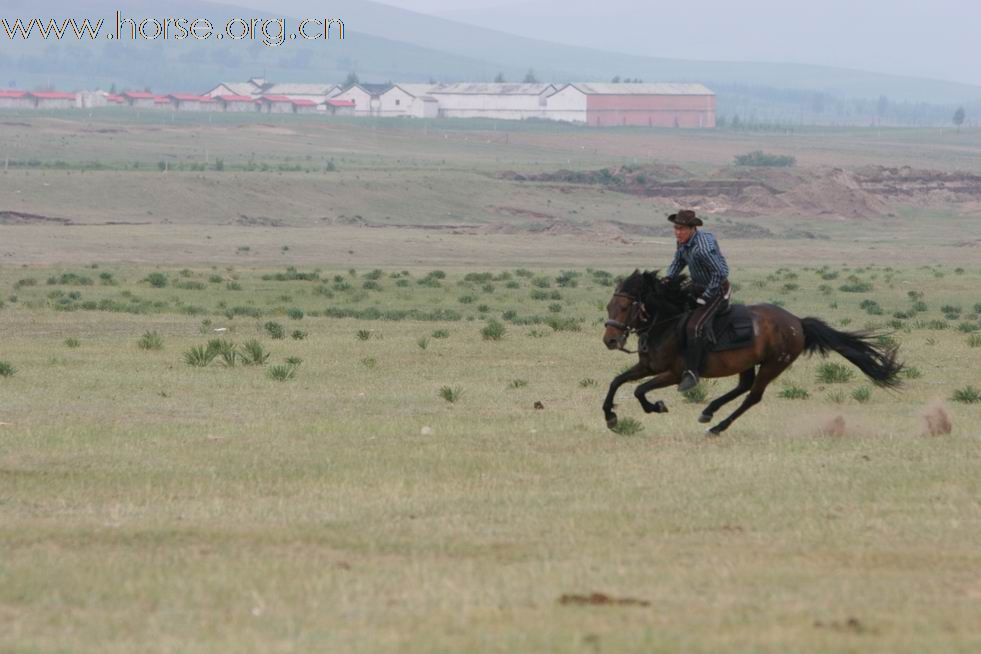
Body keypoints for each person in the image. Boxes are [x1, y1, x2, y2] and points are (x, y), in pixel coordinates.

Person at [663, 209, 731, 392]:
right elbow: (678, 262)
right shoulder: (682, 242)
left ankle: (692, 373)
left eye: (682, 229)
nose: (678, 232)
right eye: (676, 228)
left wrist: (707, 296)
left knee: (694, 326)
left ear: (693, 228)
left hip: (717, 289)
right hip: (698, 286)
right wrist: (668, 278)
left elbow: (721, 273)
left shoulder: (703, 249)